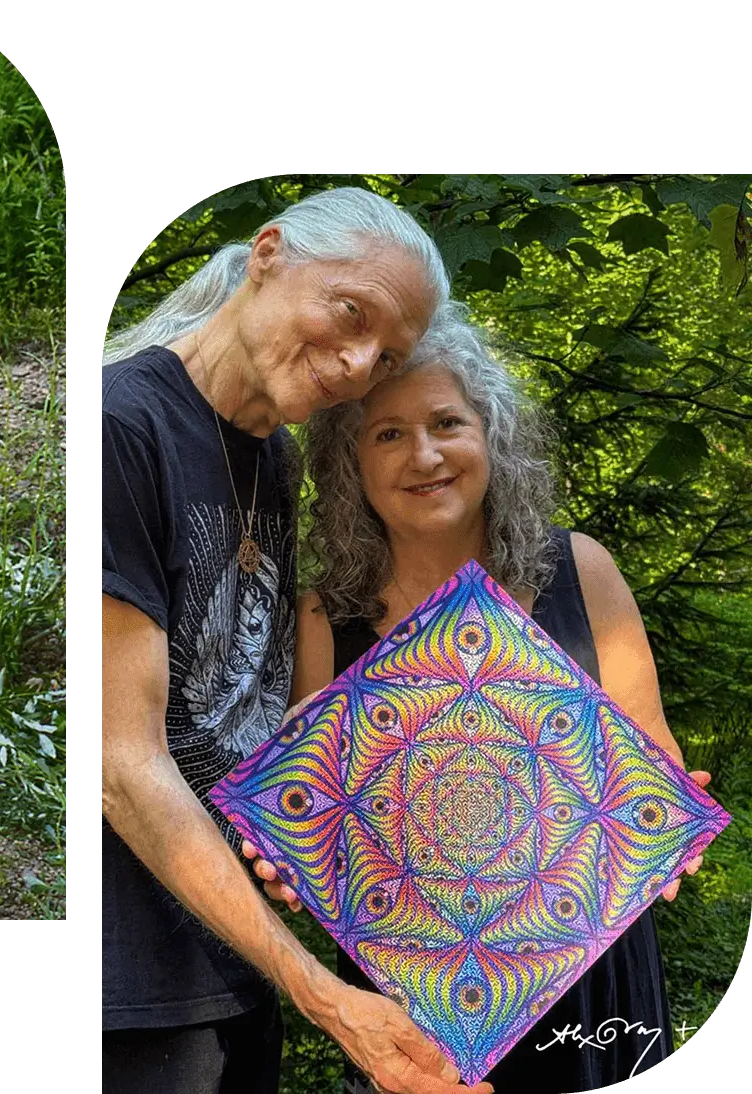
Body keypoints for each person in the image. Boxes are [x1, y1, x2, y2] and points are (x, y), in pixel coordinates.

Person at [250, 305, 709, 1094]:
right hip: (412, 1003)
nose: (424, 454)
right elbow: (315, 821)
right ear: (350, 464)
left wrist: (668, 818)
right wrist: (287, 851)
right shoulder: (328, 614)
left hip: (586, 975)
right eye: (387, 433)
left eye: (447, 423)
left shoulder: (580, 569)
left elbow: (651, 766)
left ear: (491, 437)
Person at [100, 185, 496, 1094]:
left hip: (234, 969)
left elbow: (244, 721)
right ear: (270, 254)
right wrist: (326, 995)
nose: (359, 364)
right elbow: (123, 768)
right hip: (131, 987)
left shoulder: (269, 453)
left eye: (388, 353)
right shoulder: (123, 426)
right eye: (350, 313)